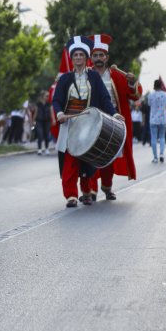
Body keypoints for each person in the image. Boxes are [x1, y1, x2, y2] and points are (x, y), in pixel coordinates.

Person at [52, 36, 116, 207]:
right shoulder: (65, 79)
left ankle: (86, 192)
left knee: (88, 159)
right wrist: (59, 113)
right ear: (72, 58)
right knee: (70, 162)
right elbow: (56, 100)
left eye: (81, 55)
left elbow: (104, 98)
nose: (78, 58)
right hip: (70, 125)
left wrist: (115, 115)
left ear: (86, 58)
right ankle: (71, 195)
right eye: (75, 55)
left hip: (89, 125)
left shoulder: (94, 77)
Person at [86, 34, 142, 201]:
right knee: (90, 156)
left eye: (101, 55)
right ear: (91, 57)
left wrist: (132, 83)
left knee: (108, 156)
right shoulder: (85, 75)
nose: (98, 58)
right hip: (90, 120)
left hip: (112, 121)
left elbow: (135, 95)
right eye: (95, 55)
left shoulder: (116, 76)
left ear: (107, 57)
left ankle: (107, 186)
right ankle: (91, 189)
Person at [148, 79, 166, 164]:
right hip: (163, 118)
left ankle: (155, 157)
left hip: (153, 118)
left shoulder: (150, 95)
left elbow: (149, 104)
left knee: (153, 138)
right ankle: (162, 154)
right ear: (161, 85)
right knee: (162, 137)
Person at [34, 91, 52, 155]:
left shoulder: (49, 104)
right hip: (39, 121)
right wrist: (33, 121)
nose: (47, 97)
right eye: (46, 96)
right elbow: (36, 113)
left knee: (47, 135)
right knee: (40, 135)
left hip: (47, 121)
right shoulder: (38, 104)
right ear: (43, 96)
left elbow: (51, 112)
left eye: (48, 96)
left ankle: (47, 149)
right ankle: (39, 149)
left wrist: (54, 120)